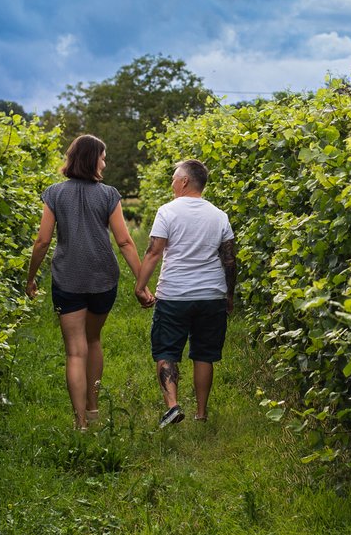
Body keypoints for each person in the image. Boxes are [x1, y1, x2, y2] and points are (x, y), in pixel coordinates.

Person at [26, 134, 153, 431]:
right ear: (92, 159)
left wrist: (30, 278)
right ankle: (93, 409)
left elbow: (43, 241)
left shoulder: (54, 193)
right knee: (93, 340)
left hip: (67, 279)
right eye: (103, 156)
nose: (105, 162)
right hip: (102, 278)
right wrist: (141, 282)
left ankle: (80, 422)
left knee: (74, 351)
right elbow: (124, 241)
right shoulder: (109, 194)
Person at [134, 158, 236, 427]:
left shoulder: (168, 211)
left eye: (174, 177)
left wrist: (140, 286)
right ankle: (201, 414)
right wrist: (229, 295)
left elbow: (154, 251)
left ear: (185, 181)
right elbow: (229, 260)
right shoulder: (219, 215)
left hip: (175, 295)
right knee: (204, 355)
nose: (171, 182)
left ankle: (173, 406)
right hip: (211, 294)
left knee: (166, 350)